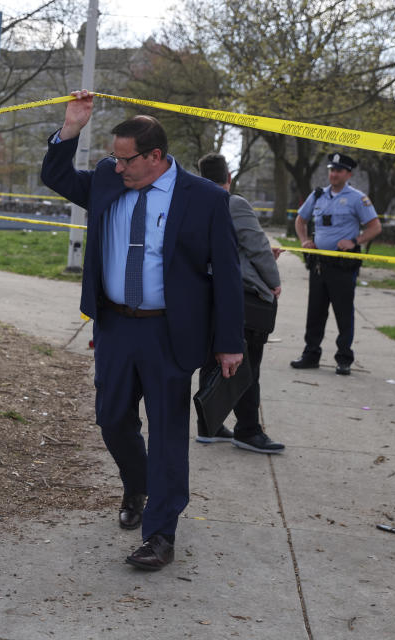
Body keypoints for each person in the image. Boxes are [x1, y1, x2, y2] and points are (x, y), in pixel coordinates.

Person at [41, 91, 244, 571]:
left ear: (155, 157)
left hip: (169, 333)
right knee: (112, 420)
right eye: (114, 157)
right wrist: (70, 129)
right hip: (115, 327)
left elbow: (229, 275)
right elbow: (57, 176)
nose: (118, 166)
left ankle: (160, 533)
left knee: (169, 434)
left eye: (126, 158)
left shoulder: (207, 199)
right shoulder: (109, 183)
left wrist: (230, 343)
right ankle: (137, 484)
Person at [195, 153, 285, 454]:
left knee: (212, 361)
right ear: (229, 178)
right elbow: (258, 247)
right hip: (243, 297)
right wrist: (274, 281)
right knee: (248, 368)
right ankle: (248, 430)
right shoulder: (234, 203)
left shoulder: (195, 203)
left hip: (206, 296)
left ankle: (209, 425)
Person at [290, 152, 382, 375]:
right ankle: (311, 354)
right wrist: (304, 241)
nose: (333, 174)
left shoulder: (357, 198)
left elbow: (375, 227)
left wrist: (355, 241)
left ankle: (344, 359)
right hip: (320, 263)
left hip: (342, 265)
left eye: (339, 171)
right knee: (315, 313)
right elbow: (300, 220)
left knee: (343, 313)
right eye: (332, 170)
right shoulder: (318, 195)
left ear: (348, 174)